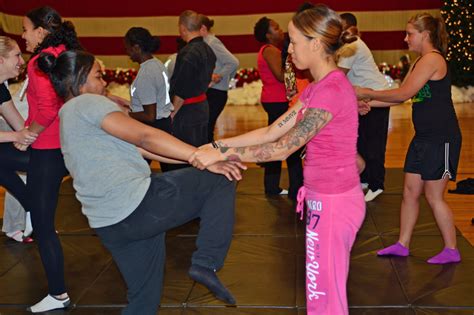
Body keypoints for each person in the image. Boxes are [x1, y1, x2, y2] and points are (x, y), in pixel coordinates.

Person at [38, 49, 244, 315]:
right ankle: (206, 262)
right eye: (98, 76)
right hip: (137, 206)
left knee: (143, 302)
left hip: (111, 225)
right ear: (79, 82)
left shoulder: (68, 115)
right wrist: (198, 156)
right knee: (220, 179)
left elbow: (142, 149)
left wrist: (197, 159)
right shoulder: (88, 102)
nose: (104, 83)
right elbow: (145, 137)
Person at [190, 5, 364, 314]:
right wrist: (216, 144)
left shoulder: (332, 89)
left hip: (335, 203)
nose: (289, 49)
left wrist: (221, 153)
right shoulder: (316, 89)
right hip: (321, 199)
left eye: (294, 42)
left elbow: (283, 149)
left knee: (326, 296)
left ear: (316, 43)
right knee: (318, 291)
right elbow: (272, 131)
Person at [356, 13, 462, 264]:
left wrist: (365, 92)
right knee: (409, 192)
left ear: (425, 35)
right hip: (423, 137)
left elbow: (403, 93)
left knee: (434, 196)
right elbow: (402, 97)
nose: (405, 38)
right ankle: (402, 244)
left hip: (441, 138)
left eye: (409, 34)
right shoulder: (418, 63)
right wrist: (366, 102)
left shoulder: (432, 59)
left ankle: (451, 249)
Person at [19, 6, 82, 312]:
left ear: (40, 32)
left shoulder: (39, 62)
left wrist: (28, 133)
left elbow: (47, 108)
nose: (23, 36)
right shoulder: (69, 52)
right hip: (70, 145)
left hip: (47, 147)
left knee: (44, 226)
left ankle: (58, 294)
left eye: (25, 29)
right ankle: (30, 202)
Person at [337, 13, 390, 201]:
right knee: (361, 141)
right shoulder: (346, 46)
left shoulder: (353, 45)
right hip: (363, 98)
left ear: (349, 27)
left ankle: (377, 184)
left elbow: (337, 76)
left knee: (374, 143)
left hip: (375, 97)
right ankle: (366, 179)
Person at [253, 16, 303, 199]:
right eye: (275, 27)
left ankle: (274, 186)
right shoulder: (270, 50)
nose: (280, 29)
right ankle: (295, 187)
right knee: (290, 144)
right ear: (267, 34)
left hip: (275, 99)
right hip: (277, 101)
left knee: (278, 142)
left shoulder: (271, 49)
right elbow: (281, 76)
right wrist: (295, 65)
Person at [168, 10, 216, 171]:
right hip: (202, 106)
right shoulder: (208, 50)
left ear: (182, 28)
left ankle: (187, 191)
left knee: (185, 155)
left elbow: (181, 88)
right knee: (199, 151)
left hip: (186, 111)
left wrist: (173, 113)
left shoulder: (187, 53)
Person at [0, 36, 36, 243]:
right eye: (17, 56)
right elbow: (17, 132)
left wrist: (33, 136)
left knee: (34, 157)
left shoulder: (1, 89)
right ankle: (32, 206)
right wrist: (17, 136)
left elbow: (20, 126)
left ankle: (33, 208)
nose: (22, 62)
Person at [124, 27, 174, 171]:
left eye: (128, 48)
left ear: (137, 48)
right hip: (163, 124)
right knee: (167, 169)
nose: (127, 53)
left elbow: (149, 115)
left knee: (137, 169)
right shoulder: (157, 63)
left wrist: (126, 114)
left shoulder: (146, 73)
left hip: (153, 127)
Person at [199, 15, 239, 142]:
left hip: (216, 92)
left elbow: (233, 62)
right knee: (206, 128)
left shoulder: (212, 42)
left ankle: (211, 155)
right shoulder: (207, 42)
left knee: (207, 128)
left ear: (203, 28)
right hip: (214, 91)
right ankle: (210, 155)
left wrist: (220, 76)